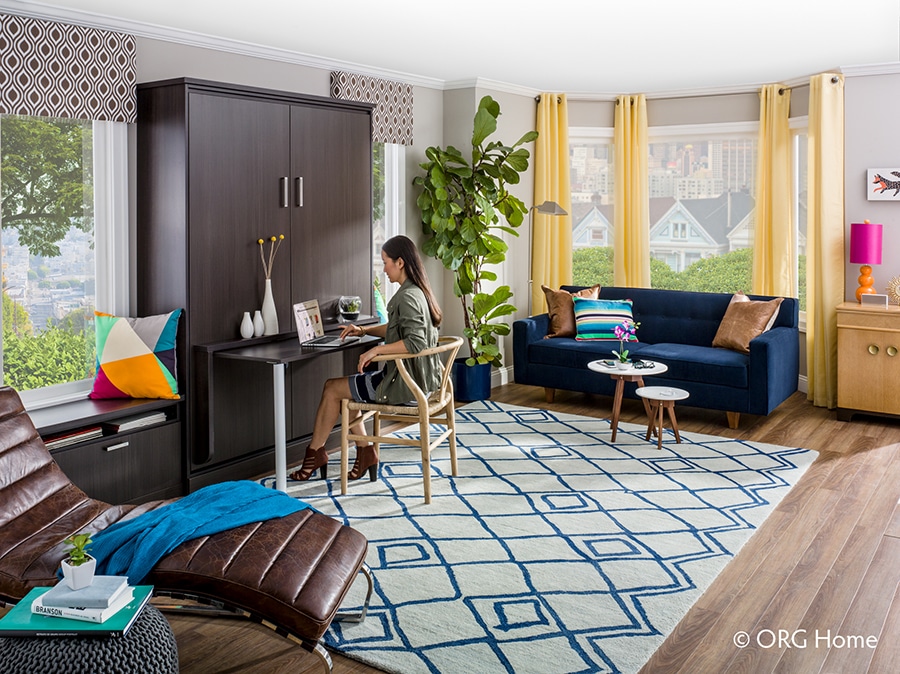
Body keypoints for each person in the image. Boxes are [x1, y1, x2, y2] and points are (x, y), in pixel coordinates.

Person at [289, 235, 443, 482]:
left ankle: (315, 456)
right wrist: (363, 331)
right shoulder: (416, 292)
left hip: (403, 387)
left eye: (386, 262)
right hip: (417, 382)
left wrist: (375, 351)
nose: (384, 269)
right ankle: (364, 453)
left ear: (400, 262)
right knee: (346, 390)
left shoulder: (407, 297)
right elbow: (397, 329)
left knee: (332, 389)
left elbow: (416, 342)